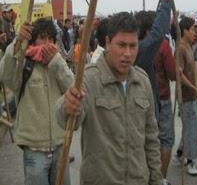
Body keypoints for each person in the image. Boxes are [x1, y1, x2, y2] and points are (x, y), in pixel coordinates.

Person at [56, 12, 162, 185]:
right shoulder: (89, 79)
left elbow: (151, 138)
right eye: (121, 45)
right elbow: (67, 119)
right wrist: (67, 105)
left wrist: (156, 179)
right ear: (107, 43)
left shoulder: (142, 81)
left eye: (133, 46)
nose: (127, 53)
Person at [0, 18, 74, 185]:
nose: (47, 43)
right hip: (34, 150)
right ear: (33, 39)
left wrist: (56, 62)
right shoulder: (24, 63)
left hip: (60, 146)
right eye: (42, 37)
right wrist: (16, 42)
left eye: (50, 39)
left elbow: (73, 88)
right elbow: (5, 74)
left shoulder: (58, 63)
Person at [135, 0, 173, 119]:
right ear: (147, 31)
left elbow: (157, 28)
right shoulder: (139, 52)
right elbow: (158, 33)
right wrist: (167, 1)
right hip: (145, 113)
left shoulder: (139, 50)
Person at [177, 17, 197, 176]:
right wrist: (193, 87)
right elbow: (179, 73)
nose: (195, 32)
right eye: (191, 29)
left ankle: (181, 151)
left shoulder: (189, 46)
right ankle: (190, 161)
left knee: (190, 127)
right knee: (191, 129)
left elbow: (192, 68)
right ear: (184, 31)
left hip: (192, 94)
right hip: (186, 95)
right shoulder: (180, 48)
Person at [154, 36, 176, 185]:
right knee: (166, 139)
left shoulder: (141, 42)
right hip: (162, 97)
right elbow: (173, 74)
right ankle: (161, 178)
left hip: (145, 97)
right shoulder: (163, 45)